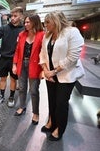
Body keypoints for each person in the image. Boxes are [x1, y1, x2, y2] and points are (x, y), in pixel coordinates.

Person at [39, 11, 85, 141]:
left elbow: (73, 57)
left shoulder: (72, 32)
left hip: (66, 75)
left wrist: (53, 71)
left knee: (61, 103)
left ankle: (60, 128)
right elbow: (42, 53)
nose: (45, 24)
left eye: (48, 22)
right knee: (52, 101)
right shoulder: (47, 36)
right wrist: (46, 70)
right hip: (50, 75)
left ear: (57, 21)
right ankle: (51, 122)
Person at [0, 7, 24, 107]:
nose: (13, 18)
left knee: (13, 79)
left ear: (21, 16)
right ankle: (1, 95)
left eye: (15, 16)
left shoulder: (23, 30)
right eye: (11, 16)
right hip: (4, 58)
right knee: (2, 78)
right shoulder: (4, 28)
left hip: (15, 60)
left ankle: (11, 97)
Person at [12, 14, 45, 125]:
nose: (25, 24)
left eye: (28, 22)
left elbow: (44, 54)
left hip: (35, 66)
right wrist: (14, 64)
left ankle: (36, 113)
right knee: (22, 88)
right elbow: (17, 50)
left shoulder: (42, 35)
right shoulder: (21, 35)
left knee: (34, 91)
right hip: (22, 64)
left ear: (35, 22)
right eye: (25, 22)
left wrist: (43, 70)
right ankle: (22, 106)